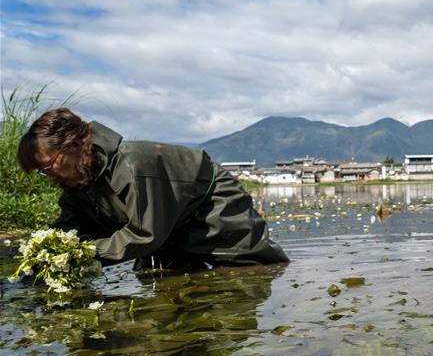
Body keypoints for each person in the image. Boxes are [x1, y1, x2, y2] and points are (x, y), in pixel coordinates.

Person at [17, 108, 289, 269]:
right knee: (158, 275)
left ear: (73, 146)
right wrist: (43, 254)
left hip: (213, 210)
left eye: (49, 166)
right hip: (170, 229)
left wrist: (83, 252)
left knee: (248, 275)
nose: (49, 176)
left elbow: (144, 235)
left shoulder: (133, 166)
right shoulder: (79, 181)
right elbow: (69, 225)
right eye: (42, 172)